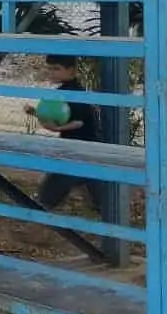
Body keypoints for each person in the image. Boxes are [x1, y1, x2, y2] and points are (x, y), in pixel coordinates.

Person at [26, 55, 107, 217]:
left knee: (49, 194)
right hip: (77, 148)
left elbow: (78, 123)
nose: (52, 73)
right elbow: (56, 118)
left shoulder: (75, 93)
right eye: (50, 68)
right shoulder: (63, 93)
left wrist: (57, 127)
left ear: (71, 70)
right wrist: (36, 113)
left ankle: (34, 224)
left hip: (81, 149)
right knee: (99, 197)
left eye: (56, 69)